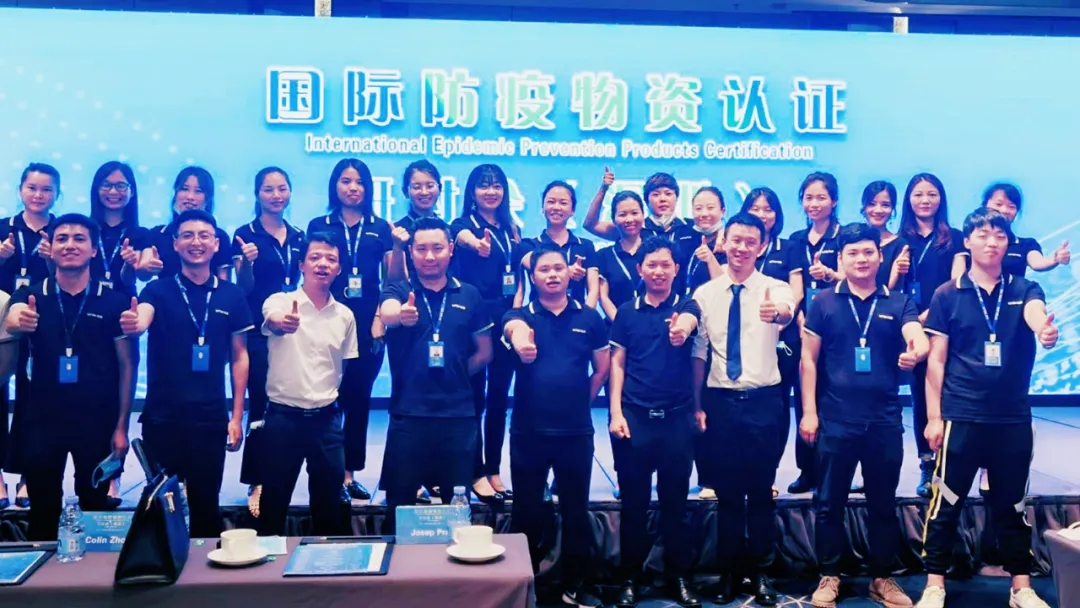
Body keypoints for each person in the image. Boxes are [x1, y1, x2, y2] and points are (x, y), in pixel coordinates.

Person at [915, 208, 1058, 608]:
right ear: (967, 241)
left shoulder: (1025, 288)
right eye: (982, 235)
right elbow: (936, 361)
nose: (991, 242)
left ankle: (1021, 588)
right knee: (945, 503)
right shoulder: (947, 294)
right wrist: (933, 417)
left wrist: (1043, 329)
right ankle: (934, 585)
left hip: (1012, 416)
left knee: (1013, 506)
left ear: (1008, 243)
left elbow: (1035, 315)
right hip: (962, 415)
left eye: (999, 235)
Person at [799, 223, 928, 608]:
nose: (861, 259)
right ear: (841, 258)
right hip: (836, 419)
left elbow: (917, 335)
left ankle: (882, 578)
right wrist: (809, 412)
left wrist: (916, 350)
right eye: (852, 253)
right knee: (829, 503)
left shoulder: (898, 302)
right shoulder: (823, 301)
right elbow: (808, 360)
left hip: (884, 420)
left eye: (868, 252)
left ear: (880, 256)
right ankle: (829, 575)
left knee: (883, 504)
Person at [121, 209, 250, 539]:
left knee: (206, 506)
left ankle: (203, 569)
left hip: (210, 418)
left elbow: (240, 357)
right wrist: (135, 323)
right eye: (188, 235)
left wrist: (236, 417)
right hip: (162, 418)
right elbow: (143, 316)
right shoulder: (157, 291)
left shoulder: (231, 295)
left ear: (216, 244)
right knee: (162, 508)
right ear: (175, 244)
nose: (196, 242)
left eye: (204, 236)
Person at [5, 214, 134, 540]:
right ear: (50, 248)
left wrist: (122, 426)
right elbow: (13, 319)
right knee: (43, 512)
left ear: (94, 250)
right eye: (61, 238)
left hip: (97, 422)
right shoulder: (31, 296)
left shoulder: (114, 301)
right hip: (41, 422)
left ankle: (95, 573)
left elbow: (127, 367)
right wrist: (19, 321)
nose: (70, 245)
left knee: (95, 508)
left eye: (79, 238)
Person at [691, 213, 795, 606]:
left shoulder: (775, 288)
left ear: (762, 246)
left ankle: (763, 573)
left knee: (761, 491)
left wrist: (777, 315)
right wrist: (697, 404)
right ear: (723, 241)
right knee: (728, 494)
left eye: (751, 241)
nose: (742, 247)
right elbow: (700, 353)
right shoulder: (705, 293)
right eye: (736, 239)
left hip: (764, 402)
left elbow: (786, 310)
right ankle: (730, 573)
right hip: (720, 403)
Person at [503, 244, 610, 608]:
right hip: (529, 433)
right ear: (533, 277)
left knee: (576, 512)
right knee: (526, 512)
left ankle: (574, 585)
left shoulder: (590, 318)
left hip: (575, 433)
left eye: (558, 268)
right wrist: (522, 344)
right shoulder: (520, 314)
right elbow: (514, 329)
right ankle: (525, 585)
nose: (552, 275)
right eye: (543, 270)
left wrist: (580, 400)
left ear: (569, 273)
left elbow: (602, 369)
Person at [379, 217, 493, 532]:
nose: (430, 256)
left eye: (437, 248)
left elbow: (485, 352)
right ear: (411, 252)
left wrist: (455, 374)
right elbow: (387, 313)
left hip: (458, 416)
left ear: (451, 249)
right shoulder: (399, 290)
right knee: (399, 508)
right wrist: (401, 316)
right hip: (408, 415)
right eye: (421, 249)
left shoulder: (469, 294)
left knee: (456, 512)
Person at [609, 237, 702, 608]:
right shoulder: (626, 312)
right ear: (640, 269)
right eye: (652, 264)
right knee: (633, 504)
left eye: (666, 264)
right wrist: (615, 412)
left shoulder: (687, 305)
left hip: (677, 419)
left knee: (676, 505)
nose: (659, 271)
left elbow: (690, 325)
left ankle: (678, 577)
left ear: (676, 269)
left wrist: (682, 330)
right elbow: (617, 363)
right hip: (635, 418)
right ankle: (630, 578)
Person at [256, 234, 357, 537]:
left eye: (331, 259)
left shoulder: (345, 316)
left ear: (339, 269)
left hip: (326, 420)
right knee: (273, 503)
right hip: (283, 418)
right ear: (301, 265)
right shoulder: (280, 301)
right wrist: (282, 323)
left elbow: (344, 366)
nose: (322, 264)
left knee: (329, 507)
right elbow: (273, 320)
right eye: (315, 258)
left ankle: (325, 565)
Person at [307, 158, 392, 503]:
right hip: (327, 318)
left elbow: (391, 279)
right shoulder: (319, 225)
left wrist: (380, 318)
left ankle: (348, 474)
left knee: (358, 399)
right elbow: (311, 273)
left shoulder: (380, 227)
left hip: (368, 322)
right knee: (327, 398)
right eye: (346, 181)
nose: (353, 188)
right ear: (335, 185)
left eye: (359, 182)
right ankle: (325, 472)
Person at [234, 167, 305, 516]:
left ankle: (286, 474)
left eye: (282, 189)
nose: (276, 195)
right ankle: (257, 479)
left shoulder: (300, 236)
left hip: (295, 328)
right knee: (261, 404)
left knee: (291, 402)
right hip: (258, 329)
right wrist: (246, 264)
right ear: (257, 194)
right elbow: (243, 287)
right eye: (268, 189)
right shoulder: (244, 235)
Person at [449, 163, 522, 503]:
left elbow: (518, 273)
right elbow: (464, 239)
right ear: (472, 191)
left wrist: (517, 309)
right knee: (474, 398)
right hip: (474, 319)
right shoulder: (462, 224)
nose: (491, 191)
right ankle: (474, 471)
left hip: (505, 318)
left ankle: (493, 469)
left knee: (499, 400)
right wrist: (477, 244)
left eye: (496, 185)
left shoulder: (511, 227)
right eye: (483, 185)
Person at [897, 173, 967, 498]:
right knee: (921, 398)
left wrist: (930, 314)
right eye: (918, 194)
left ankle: (950, 466)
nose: (925, 200)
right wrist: (914, 318)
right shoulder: (899, 239)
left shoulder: (955, 237)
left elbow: (957, 281)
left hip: (947, 324)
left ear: (941, 199)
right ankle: (927, 465)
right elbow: (890, 287)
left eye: (932, 194)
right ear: (908, 200)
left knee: (951, 397)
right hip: (910, 327)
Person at [0, 162, 61, 509]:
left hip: (43, 320)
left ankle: (28, 477)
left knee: (33, 398)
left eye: (47, 189)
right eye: (32, 188)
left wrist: (52, 261)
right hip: (1, 322)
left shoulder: (62, 231)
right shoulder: (2, 228)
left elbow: (71, 274)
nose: (39, 195)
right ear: (21, 190)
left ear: (57, 194)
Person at [740, 188, 804, 499]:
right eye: (755, 208)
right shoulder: (738, 246)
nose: (762, 214)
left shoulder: (789, 247)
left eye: (768, 209)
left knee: (776, 407)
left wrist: (780, 320)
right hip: (742, 339)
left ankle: (768, 473)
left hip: (782, 337)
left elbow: (797, 292)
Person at [786, 172, 842, 495]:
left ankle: (830, 472)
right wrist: (799, 317)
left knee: (831, 399)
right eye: (809, 198)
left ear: (834, 201)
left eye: (821, 197)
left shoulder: (843, 237)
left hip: (837, 328)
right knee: (803, 397)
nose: (815, 204)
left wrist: (831, 275)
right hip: (803, 326)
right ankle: (806, 469)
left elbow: (856, 279)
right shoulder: (795, 240)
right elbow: (793, 285)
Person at [594, 189, 647, 501]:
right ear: (614, 219)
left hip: (653, 335)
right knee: (618, 402)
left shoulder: (654, 248)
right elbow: (603, 295)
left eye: (634, 212)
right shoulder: (604, 255)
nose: (629, 219)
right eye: (622, 214)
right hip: (616, 332)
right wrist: (626, 322)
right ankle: (623, 474)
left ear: (643, 215)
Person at [142, 166, 234, 282]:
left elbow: (225, 284)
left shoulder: (219, 236)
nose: (190, 197)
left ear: (208, 198)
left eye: (198, 191)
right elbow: (142, 275)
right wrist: (149, 267)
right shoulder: (158, 234)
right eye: (184, 189)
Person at [519, 181, 600, 309]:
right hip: (538, 316)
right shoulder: (529, 245)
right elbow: (530, 262)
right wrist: (567, 271)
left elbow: (593, 289)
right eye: (551, 202)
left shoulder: (586, 246)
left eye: (563, 203)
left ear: (573, 210)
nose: (556, 207)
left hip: (577, 315)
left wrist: (587, 315)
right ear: (542, 207)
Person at [582, 170, 697, 258]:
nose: (663, 199)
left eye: (668, 194)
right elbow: (591, 225)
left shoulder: (691, 227)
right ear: (646, 201)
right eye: (656, 194)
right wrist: (604, 188)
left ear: (676, 198)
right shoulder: (635, 228)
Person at [859, 180, 910, 290]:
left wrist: (899, 271)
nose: (878, 210)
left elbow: (892, 289)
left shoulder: (900, 245)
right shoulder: (851, 240)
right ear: (864, 206)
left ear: (892, 209)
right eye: (872, 204)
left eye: (885, 205)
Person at [679, 186, 727, 296]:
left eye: (710, 208)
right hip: (684, 303)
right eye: (698, 208)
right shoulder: (683, 234)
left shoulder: (727, 244)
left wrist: (711, 259)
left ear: (722, 211)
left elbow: (726, 287)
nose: (704, 214)